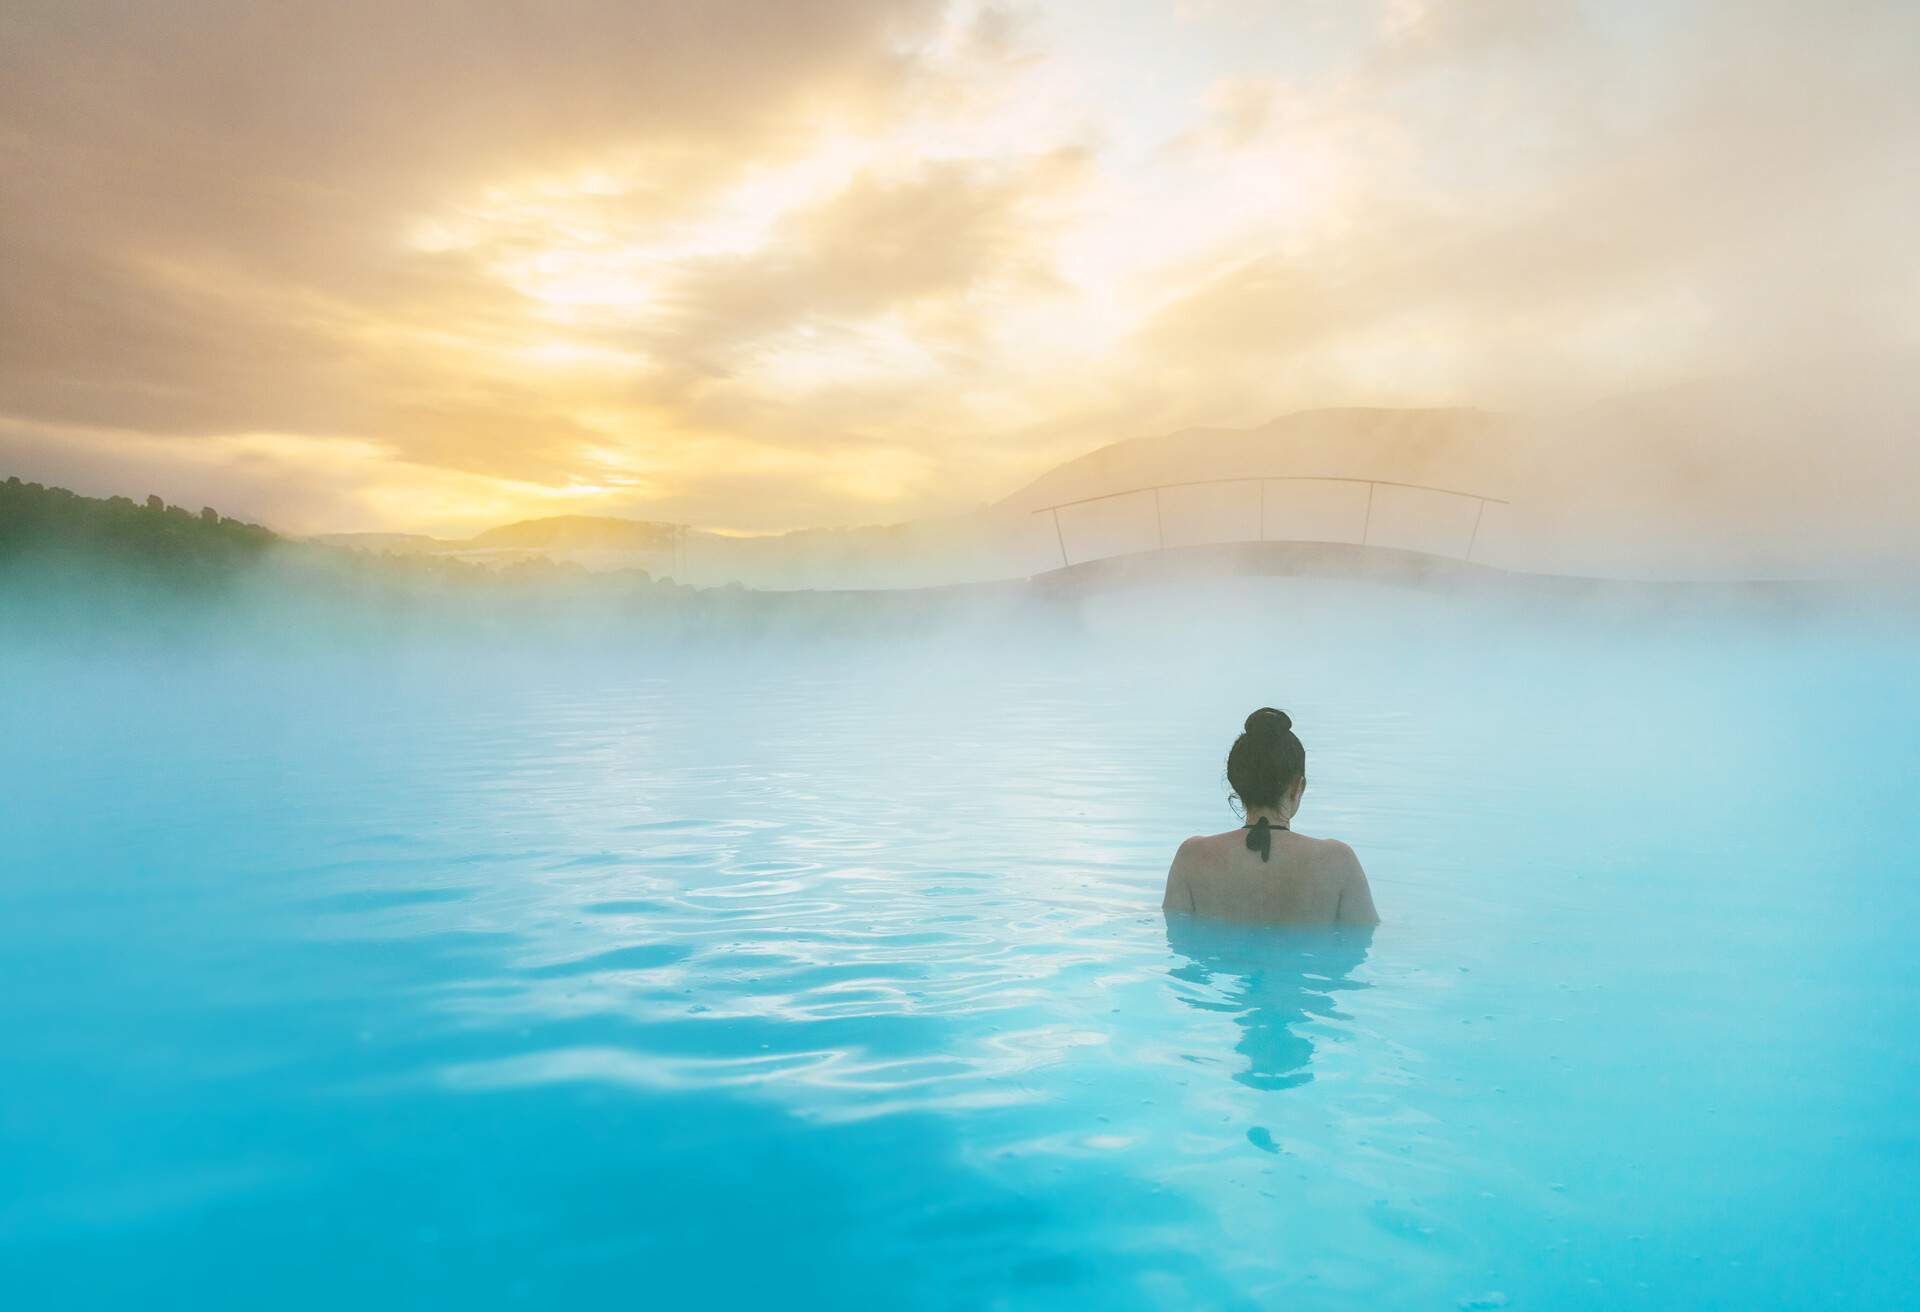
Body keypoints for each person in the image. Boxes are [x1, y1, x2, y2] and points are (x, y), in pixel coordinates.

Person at [1162, 707, 1378, 925]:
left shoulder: (1191, 857)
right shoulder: (1338, 861)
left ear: (1236, 786)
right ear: (1297, 787)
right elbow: (1364, 939)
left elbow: (1175, 938)